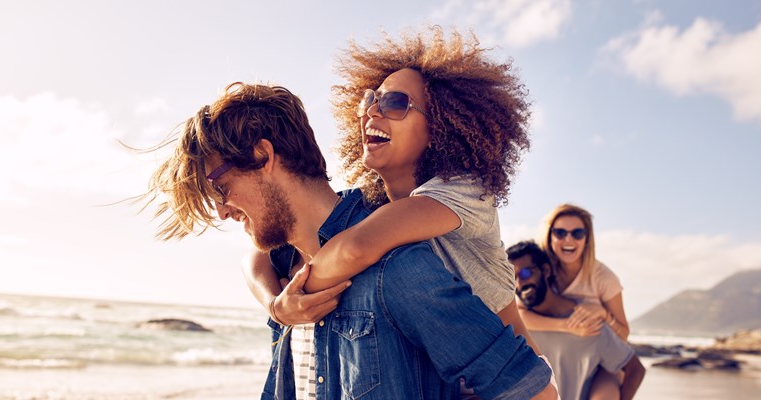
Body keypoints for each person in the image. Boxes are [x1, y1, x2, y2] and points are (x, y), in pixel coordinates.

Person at [143, 82, 555, 399]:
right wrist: (275, 306)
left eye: (221, 188)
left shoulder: (396, 268)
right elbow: (253, 262)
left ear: (264, 157)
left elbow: (533, 392)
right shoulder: (286, 268)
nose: (222, 211)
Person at [248, 26, 540, 355]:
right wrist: (275, 305)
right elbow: (260, 257)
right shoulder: (373, 203)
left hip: (513, 382)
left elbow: (355, 247)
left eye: (395, 102)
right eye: (371, 100)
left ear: (438, 128)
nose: (372, 111)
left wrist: (296, 299)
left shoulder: (467, 192)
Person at [518, 204, 631, 399]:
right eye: (560, 232)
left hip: (599, 364)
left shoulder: (604, 278)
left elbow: (623, 334)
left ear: (587, 239)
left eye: (577, 233)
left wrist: (602, 313)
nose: (568, 239)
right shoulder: (541, 270)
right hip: (561, 354)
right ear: (550, 236)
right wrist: (567, 326)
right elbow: (521, 315)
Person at [507, 240, 645, 400]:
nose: (519, 283)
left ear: (545, 270)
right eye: (512, 277)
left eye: (525, 274)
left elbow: (635, 369)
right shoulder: (516, 326)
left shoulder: (587, 322)